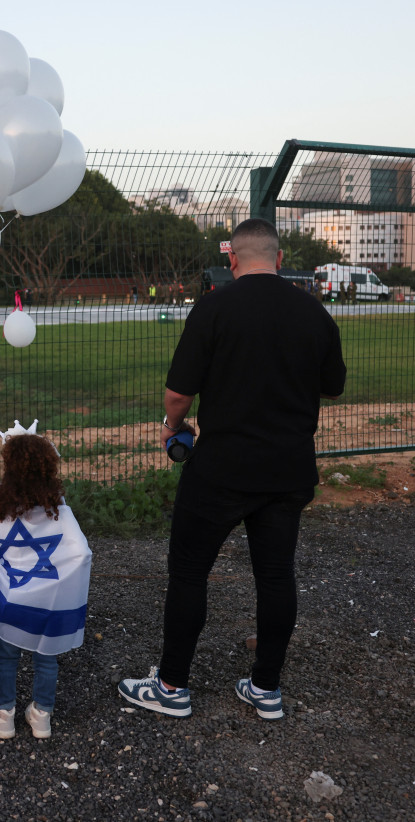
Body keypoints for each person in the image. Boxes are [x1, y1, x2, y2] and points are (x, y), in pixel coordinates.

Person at [118, 218, 345, 721]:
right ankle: (266, 687)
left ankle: (172, 685)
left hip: (222, 468)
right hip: (288, 470)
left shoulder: (214, 306)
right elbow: (333, 387)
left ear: (233, 260)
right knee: (276, 576)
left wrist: (172, 425)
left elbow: (179, 393)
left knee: (190, 573)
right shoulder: (314, 312)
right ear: (280, 259)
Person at [0, 421, 91, 741]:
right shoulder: (59, 511)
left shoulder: (0, 510)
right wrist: (59, 585)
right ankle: (42, 716)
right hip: (49, 603)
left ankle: (4, 715)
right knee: (47, 654)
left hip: (14, 601)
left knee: (5, 655)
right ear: (49, 469)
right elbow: (80, 552)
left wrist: (9, 583)